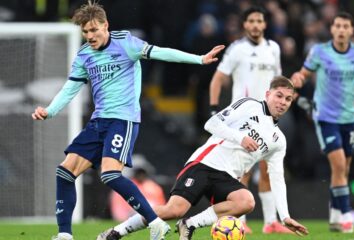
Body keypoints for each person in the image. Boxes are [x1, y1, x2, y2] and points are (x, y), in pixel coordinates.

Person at [31, 1, 224, 240]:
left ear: (105, 25)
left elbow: (161, 52)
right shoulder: (84, 55)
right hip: (98, 122)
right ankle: (65, 235)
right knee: (65, 172)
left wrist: (199, 59)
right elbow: (70, 88)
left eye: (94, 30)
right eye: (85, 31)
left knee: (110, 175)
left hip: (122, 120)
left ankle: (155, 223)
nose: (90, 36)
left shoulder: (125, 43)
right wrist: (49, 111)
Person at [97, 76, 309, 240]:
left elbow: (277, 176)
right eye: (279, 95)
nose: (282, 102)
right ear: (268, 94)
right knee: (174, 210)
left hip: (227, 177)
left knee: (246, 202)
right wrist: (240, 138)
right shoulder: (249, 105)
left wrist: (285, 216)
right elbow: (211, 124)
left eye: (288, 99)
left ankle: (189, 224)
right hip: (206, 163)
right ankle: (116, 232)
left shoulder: (278, 139)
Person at [291, 12, 354, 233]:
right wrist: (298, 79)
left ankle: (335, 216)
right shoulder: (320, 51)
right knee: (338, 164)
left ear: (352, 30)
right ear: (332, 29)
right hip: (325, 117)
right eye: (337, 25)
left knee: (343, 169)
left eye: (345, 26)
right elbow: (303, 74)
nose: (341, 29)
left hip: (348, 118)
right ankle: (346, 214)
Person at [208, 6, 289, 234]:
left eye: (259, 21)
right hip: (243, 118)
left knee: (266, 169)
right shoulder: (237, 49)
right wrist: (214, 110)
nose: (255, 25)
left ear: (264, 24)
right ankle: (238, 221)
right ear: (245, 25)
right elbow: (218, 79)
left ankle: (270, 222)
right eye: (251, 21)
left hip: (267, 117)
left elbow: (278, 81)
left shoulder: (274, 48)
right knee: (242, 171)